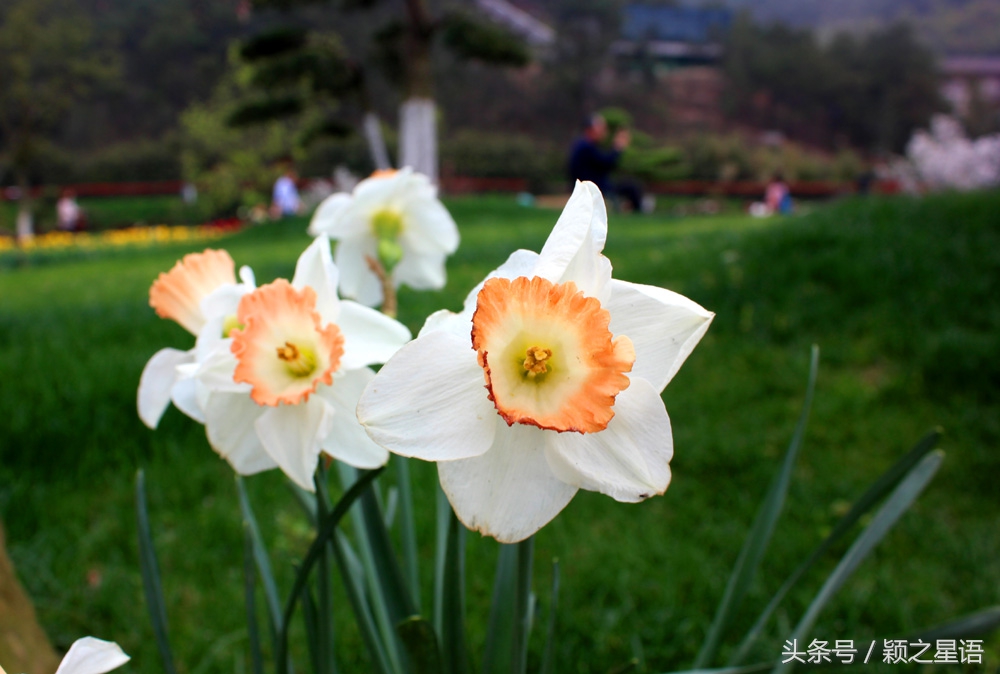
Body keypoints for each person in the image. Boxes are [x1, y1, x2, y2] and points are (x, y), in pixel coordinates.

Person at [568, 114, 642, 212]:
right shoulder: (586, 147)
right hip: (595, 186)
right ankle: (639, 210)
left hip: (594, 184)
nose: (604, 132)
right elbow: (605, 164)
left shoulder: (583, 145)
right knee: (631, 187)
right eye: (600, 128)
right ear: (590, 130)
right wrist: (617, 148)